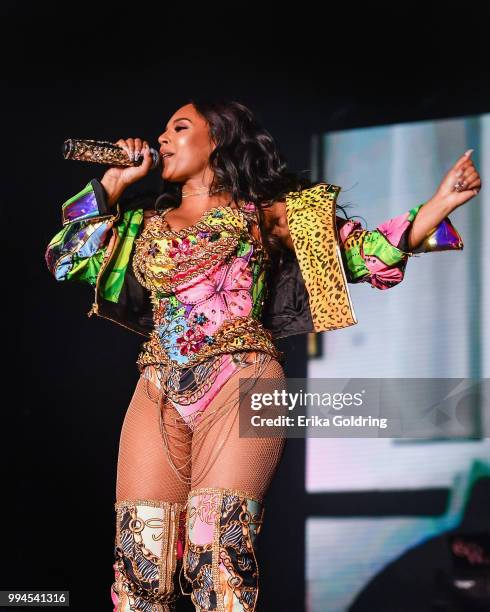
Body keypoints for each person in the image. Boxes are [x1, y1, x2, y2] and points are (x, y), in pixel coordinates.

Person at [45, 99, 481, 612]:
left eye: (179, 128)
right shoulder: (142, 223)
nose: (161, 139)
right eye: (161, 130)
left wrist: (438, 204)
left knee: (218, 559)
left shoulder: (265, 215)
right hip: (158, 388)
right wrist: (114, 184)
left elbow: (358, 253)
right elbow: (64, 260)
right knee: (141, 564)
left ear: (219, 142)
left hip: (242, 384)